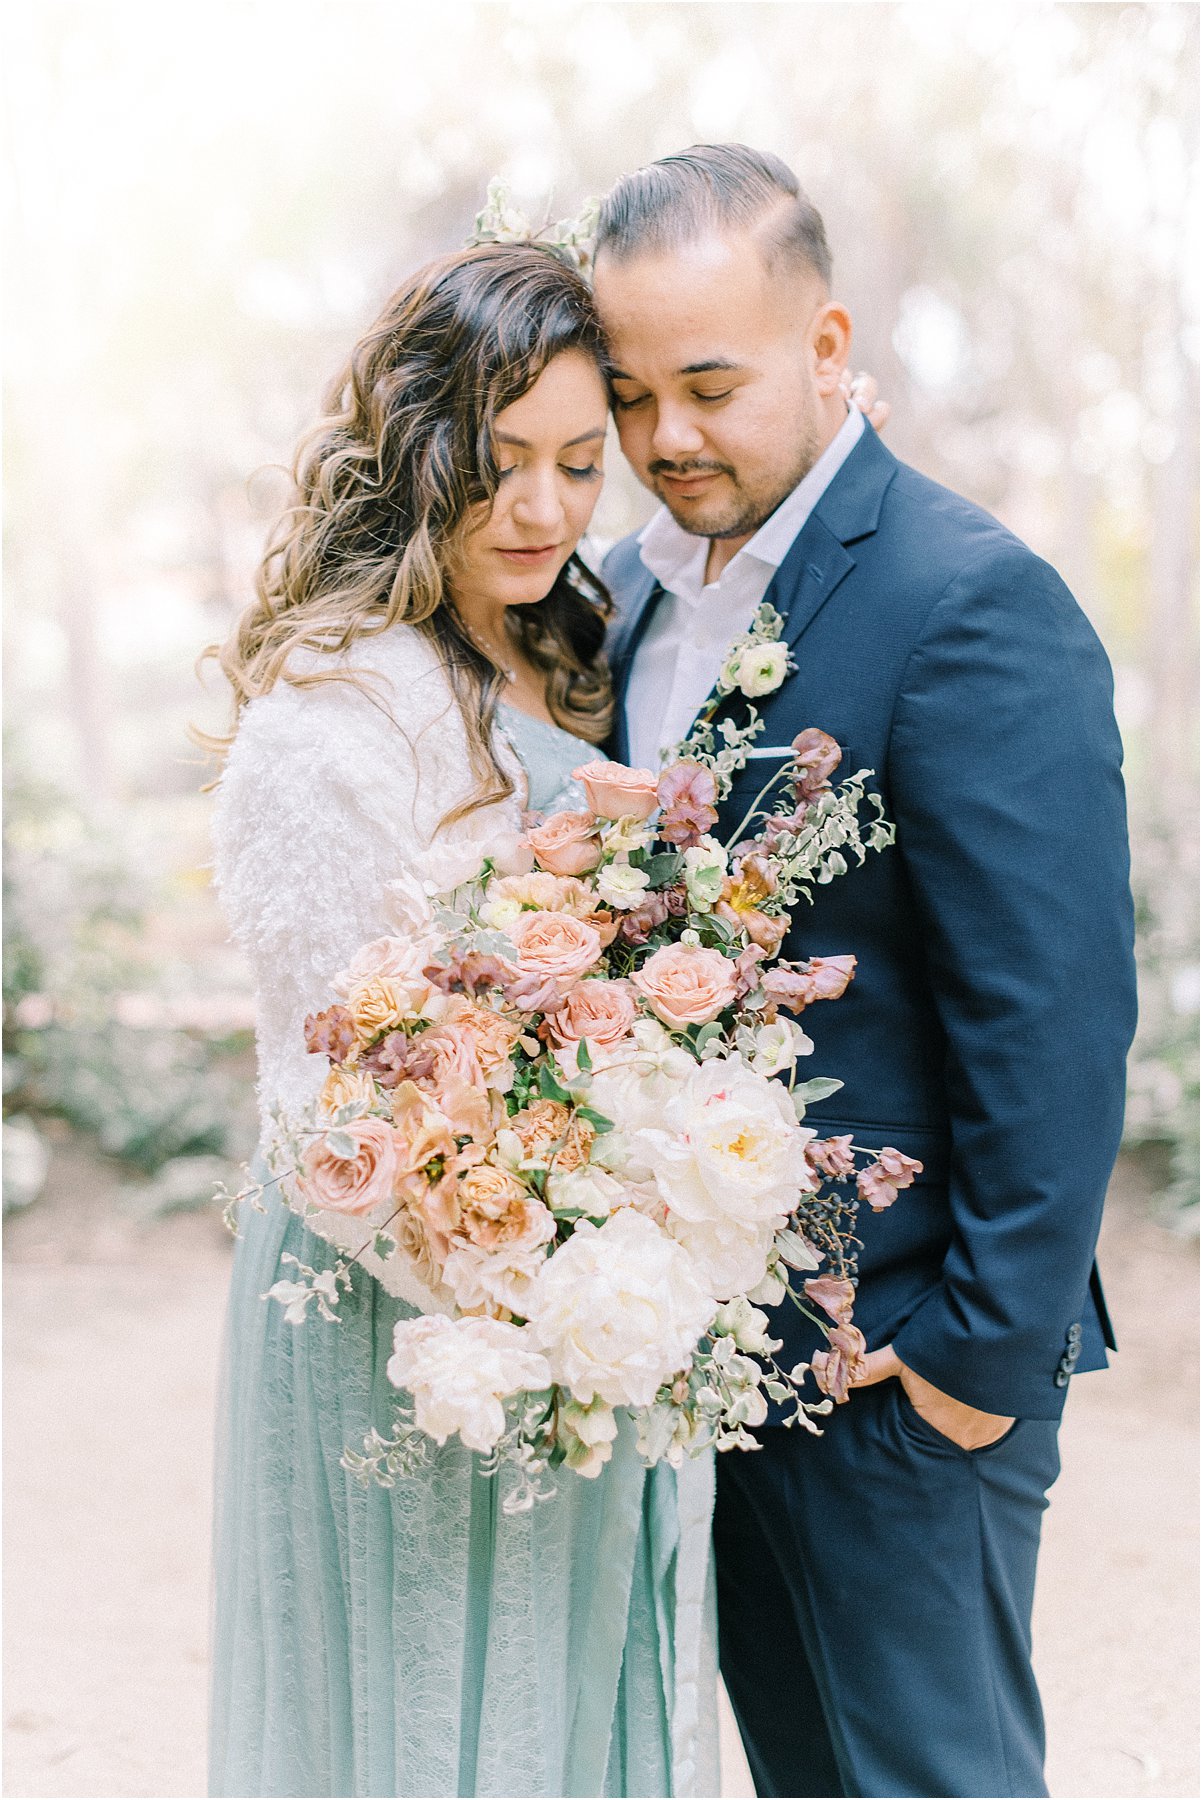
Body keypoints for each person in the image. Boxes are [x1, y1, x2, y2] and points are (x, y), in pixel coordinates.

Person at [593, 143, 1137, 1799]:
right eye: (628, 395)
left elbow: (1051, 1017)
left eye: (709, 384)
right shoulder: (619, 599)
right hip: (710, 1363)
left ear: (826, 350)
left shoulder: (968, 601)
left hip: (905, 1358)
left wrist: (975, 1364)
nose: (666, 437)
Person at [205, 241, 722, 1799]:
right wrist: (531, 1287)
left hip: (577, 1273)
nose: (548, 509)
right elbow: (330, 1093)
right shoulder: (329, 711)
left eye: (580, 462)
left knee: (560, 1700)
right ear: (422, 450)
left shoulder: (568, 647)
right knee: (422, 1715)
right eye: (501, 465)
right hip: (394, 1287)